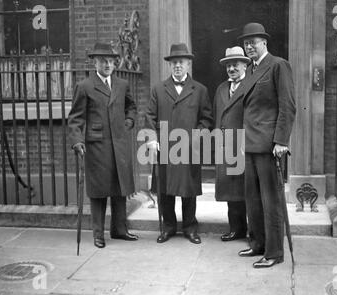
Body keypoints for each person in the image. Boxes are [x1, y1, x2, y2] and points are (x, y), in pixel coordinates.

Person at [68, 42, 138, 249]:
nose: (107, 64)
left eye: (110, 61)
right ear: (95, 62)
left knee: (120, 187)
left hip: (119, 144)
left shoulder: (122, 84)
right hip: (97, 146)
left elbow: (131, 106)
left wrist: (129, 121)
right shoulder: (85, 86)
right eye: (103, 61)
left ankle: (119, 229)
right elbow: (75, 118)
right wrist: (77, 141)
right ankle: (98, 234)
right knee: (99, 192)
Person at [237, 23, 296, 268]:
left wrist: (281, 140)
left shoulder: (277, 65)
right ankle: (258, 243)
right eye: (246, 43)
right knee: (253, 199)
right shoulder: (251, 69)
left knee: (271, 201)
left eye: (254, 42)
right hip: (251, 143)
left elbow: (288, 105)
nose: (249, 46)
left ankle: (274, 252)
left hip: (269, 145)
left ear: (265, 43)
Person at [145, 43, 213, 244]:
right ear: (170, 65)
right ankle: (168, 227)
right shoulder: (158, 89)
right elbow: (149, 115)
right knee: (165, 191)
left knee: (188, 190)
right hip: (165, 147)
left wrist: (196, 137)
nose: (177, 66)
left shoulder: (200, 90)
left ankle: (190, 227)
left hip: (189, 148)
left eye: (181, 62)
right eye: (174, 62)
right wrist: (152, 139)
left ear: (188, 64)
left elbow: (207, 119)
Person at [213, 47, 249, 241]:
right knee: (230, 190)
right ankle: (236, 229)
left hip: (243, 146)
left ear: (245, 64)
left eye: (235, 64)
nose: (232, 68)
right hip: (225, 146)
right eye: (228, 65)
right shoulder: (221, 88)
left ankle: (252, 230)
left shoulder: (251, 85)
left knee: (247, 190)